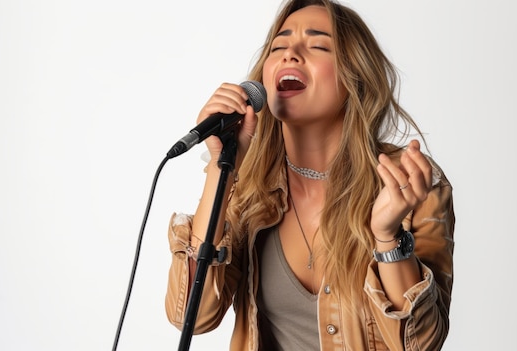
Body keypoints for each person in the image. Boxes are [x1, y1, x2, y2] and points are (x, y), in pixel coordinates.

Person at [165, 0, 455, 350]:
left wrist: (387, 236)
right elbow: (191, 318)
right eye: (279, 46)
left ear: (356, 76)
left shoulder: (407, 184)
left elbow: (420, 343)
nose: (290, 54)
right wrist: (220, 168)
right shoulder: (246, 185)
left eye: (317, 45)